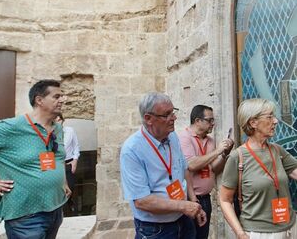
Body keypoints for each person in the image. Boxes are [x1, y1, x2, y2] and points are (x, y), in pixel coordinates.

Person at [120, 92, 207, 239]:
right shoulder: (131, 150)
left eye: (173, 112)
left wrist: (193, 202)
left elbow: (184, 169)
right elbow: (142, 201)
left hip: (183, 220)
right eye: (167, 114)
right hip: (155, 230)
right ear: (148, 118)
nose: (174, 118)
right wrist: (184, 206)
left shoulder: (172, 136)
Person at [0, 79, 71, 239]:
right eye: (57, 96)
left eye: (62, 96)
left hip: (55, 210)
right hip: (26, 217)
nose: (62, 100)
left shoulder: (57, 128)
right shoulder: (9, 128)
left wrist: (62, 182)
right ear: (39, 100)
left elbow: (57, 157)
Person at [220, 98, 297, 239]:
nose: (275, 121)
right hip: (259, 233)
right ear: (253, 122)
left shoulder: (278, 151)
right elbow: (225, 200)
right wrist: (240, 233)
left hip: (290, 228)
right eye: (269, 117)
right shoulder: (237, 157)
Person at [178, 105, 234, 239]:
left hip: (205, 199)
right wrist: (218, 151)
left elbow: (214, 168)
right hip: (190, 199)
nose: (213, 124)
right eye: (210, 120)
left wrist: (224, 154)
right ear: (197, 121)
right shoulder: (184, 137)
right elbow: (191, 165)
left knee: (202, 236)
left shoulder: (210, 141)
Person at [57, 114, 80, 214]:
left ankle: (69, 210)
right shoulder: (50, 133)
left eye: (59, 120)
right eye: (55, 120)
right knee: (58, 190)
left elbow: (76, 146)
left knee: (70, 188)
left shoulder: (70, 131)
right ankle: (61, 213)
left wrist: (75, 160)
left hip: (68, 163)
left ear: (63, 120)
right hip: (57, 165)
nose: (58, 122)